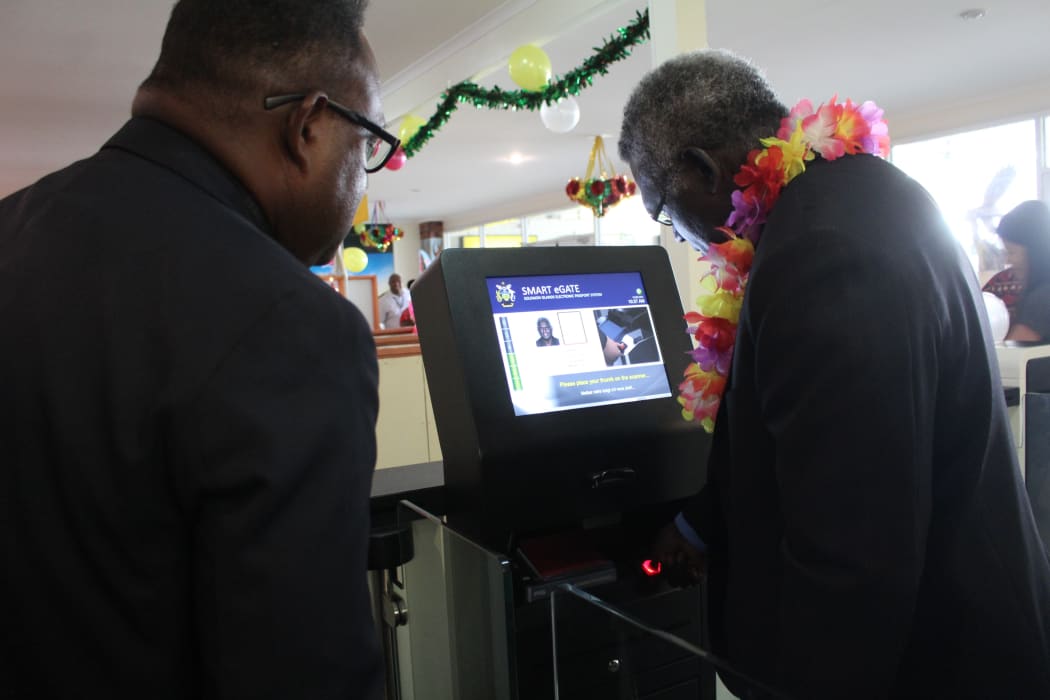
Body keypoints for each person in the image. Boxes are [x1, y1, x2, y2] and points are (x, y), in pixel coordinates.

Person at [619, 50, 1050, 698]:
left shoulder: (822, 257)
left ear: (700, 169)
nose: (676, 233)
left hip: (933, 664)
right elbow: (802, 434)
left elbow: (852, 563)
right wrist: (696, 525)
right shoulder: (857, 195)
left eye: (663, 210)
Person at [1, 1, 395, 698]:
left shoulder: (15, 226)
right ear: (307, 125)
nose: (365, 181)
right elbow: (305, 677)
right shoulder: (293, 328)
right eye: (368, 145)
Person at [985, 200, 1050, 342]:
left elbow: (1011, 356)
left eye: (1011, 252)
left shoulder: (1042, 299)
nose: (1008, 261)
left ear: (1035, 252)